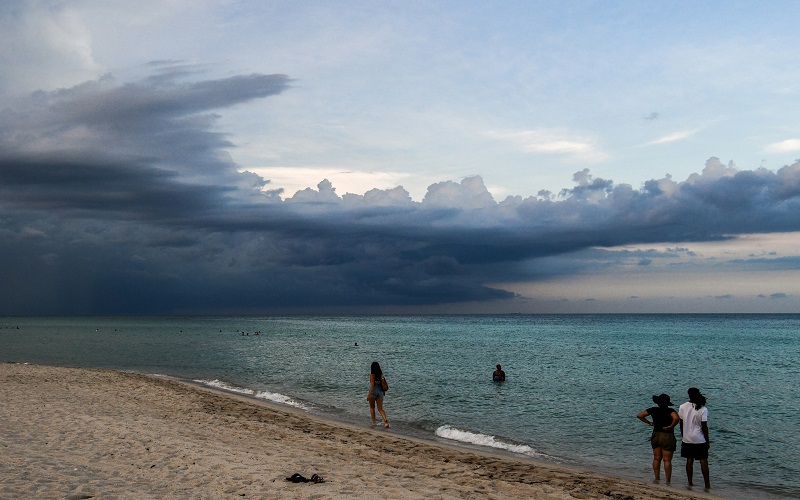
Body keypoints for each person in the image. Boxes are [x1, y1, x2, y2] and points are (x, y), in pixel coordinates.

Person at [637, 393, 679, 484]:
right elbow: (676, 418)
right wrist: (671, 426)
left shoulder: (653, 410)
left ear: (658, 403)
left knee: (656, 458)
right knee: (667, 460)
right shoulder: (671, 411)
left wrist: (650, 423)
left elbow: (640, 415)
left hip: (656, 435)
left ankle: (657, 478)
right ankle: (668, 481)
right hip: (667, 435)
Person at [678, 387, 710, 490]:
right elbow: (704, 426)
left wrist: (683, 435)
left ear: (688, 394)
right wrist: (707, 440)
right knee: (703, 461)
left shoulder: (682, 407)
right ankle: (707, 485)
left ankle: (690, 482)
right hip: (699, 439)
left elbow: (681, 423)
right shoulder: (703, 409)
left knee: (689, 460)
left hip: (687, 438)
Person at [367, 361, 389, 428]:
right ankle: (385, 421)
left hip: (374, 391)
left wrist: (369, 394)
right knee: (380, 409)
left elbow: (372, 385)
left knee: (372, 407)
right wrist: (383, 392)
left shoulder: (372, 375)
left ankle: (374, 422)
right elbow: (383, 384)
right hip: (380, 392)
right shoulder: (381, 375)